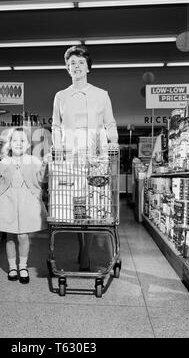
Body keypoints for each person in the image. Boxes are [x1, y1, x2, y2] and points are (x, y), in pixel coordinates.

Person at [51, 45, 118, 270]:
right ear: (67, 68)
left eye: (80, 63)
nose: (76, 67)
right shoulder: (61, 96)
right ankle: (82, 248)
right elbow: (56, 125)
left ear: (88, 66)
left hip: (97, 154)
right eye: (72, 64)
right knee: (77, 202)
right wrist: (57, 147)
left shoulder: (101, 94)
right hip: (71, 155)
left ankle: (86, 252)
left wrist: (114, 141)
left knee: (93, 201)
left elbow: (109, 122)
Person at [0, 127, 48, 284]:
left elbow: (41, 178)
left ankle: (23, 265)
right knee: (10, 235)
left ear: (28, 144)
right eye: (15, 140)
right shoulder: (4, 162)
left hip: (26, 201)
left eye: (22, 140)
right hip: (8, 201)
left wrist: (46, 165)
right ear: (10, 143)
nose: (19, 143)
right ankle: (12, 266)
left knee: (23, 235)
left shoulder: (33, 161)